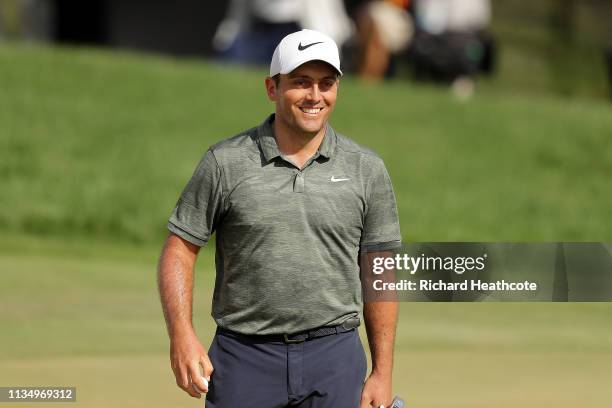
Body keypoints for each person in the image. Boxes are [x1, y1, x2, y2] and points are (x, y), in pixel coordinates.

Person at [158, 28, 402, 408]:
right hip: (244, 358)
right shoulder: (225, 162)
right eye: (301, 83)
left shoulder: (366, 169)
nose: (315, 96)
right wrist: (181, 334)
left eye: (326, 84)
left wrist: (382, 373)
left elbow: (380, 269)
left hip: (335, 356)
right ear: (272, 88)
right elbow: (179, 250)